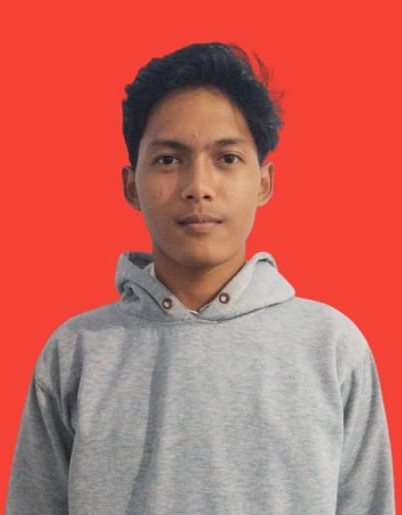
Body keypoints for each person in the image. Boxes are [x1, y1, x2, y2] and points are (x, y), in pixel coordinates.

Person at [6, 42, 395, 514]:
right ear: (131, 185)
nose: (198, 187)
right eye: (169, 160)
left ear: (264, 182)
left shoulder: (331, 347)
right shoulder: (77, 353)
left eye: (226, 158)